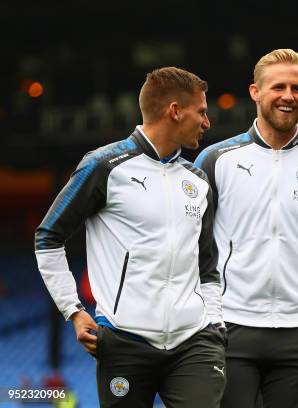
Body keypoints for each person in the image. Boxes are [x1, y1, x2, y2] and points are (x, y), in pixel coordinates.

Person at [35, 67, 226, 408]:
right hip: (124, 342)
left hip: (195, 342)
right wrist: (74, 311)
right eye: (201, 111)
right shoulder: (103, 166)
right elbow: (48, 238)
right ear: (174, 111)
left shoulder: (198, 182)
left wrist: (214, 322)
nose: (207, 123)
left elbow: (207, 265)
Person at [195, 48, 298, 408]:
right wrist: (208, 318)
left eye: (297, 88)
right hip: (230, 327)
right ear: (255, 92)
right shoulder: (216, 161)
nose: (288, 96)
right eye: (279, 87)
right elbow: (194, 246)